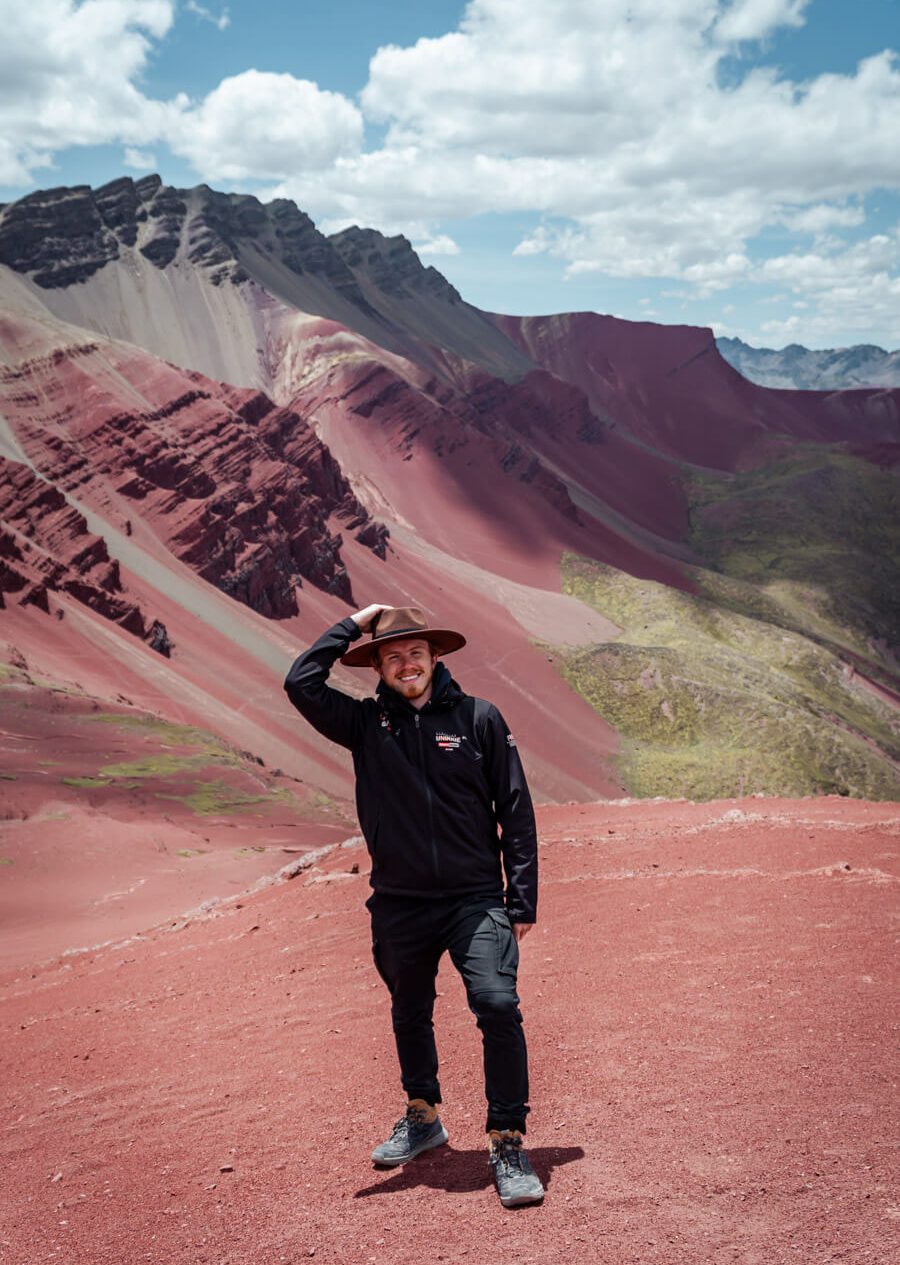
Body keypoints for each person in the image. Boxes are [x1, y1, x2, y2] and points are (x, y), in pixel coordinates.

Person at [284, 603, 544, 1207]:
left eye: (416, 654)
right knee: (409, 1009)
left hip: (475, 898)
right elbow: (300, 682)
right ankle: (423, 1114)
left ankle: (506, 1136)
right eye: (393, 655)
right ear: (376, 666)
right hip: (399, 904)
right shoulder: (365, 725)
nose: (407, 664)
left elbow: (517, 811)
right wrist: (355, 623)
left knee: (497, 1004)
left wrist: (521, 898)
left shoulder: (480, 718)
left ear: (435, 658)